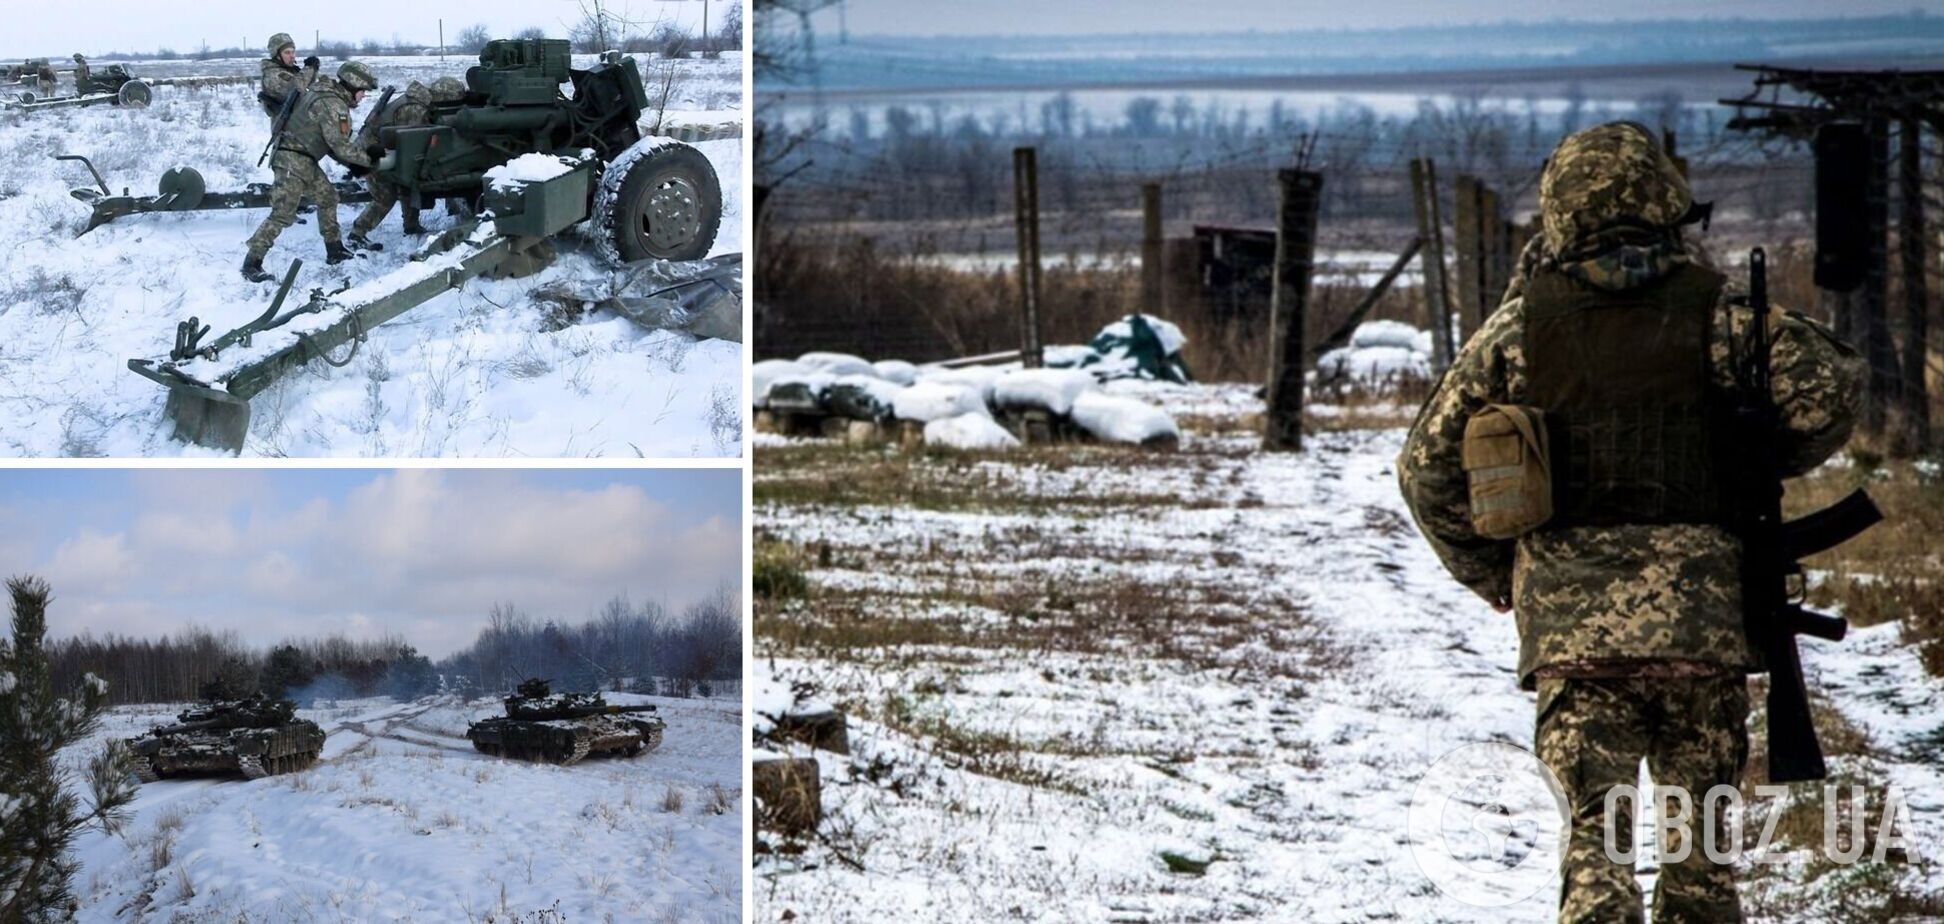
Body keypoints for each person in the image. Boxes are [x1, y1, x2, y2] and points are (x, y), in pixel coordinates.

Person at [1396, 121, 1862, 924]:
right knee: (1701, 867)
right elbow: (1832, 395)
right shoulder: (1721, 314)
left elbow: (1425, 468)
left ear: (1559, 213)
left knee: (1596, 854)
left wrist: (1491, 573)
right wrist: (1754, 459)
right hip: (1704, 628)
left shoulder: (1519, 328)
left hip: (1575, 642)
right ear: (1666, 204)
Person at [242, 61, 379, 282]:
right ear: (353, 87)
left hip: (302, 159)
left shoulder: (324, 95)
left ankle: (334, 250)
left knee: (328, 197)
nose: (363, 97)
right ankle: (252, 263)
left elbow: (332, 144)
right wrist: (373, 161)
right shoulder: (333, 104)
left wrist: (358, 164)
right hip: (292, 161)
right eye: (363, 92)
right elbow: (341, 146)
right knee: (282, 213)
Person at [347, 76, 465, 249]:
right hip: (371, 153)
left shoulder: (418, 100)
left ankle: (411, 226)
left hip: (384, 148)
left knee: (407, 184)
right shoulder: (414, 109)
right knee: (386, 196)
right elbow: (412, 144)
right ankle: (357, 234)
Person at [258, 32, 319, 122]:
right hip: (289, 131)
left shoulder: (290, 71)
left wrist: (314, 70)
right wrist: (309, 69)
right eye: (287, 53)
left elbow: (309, 90)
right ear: (277, 56)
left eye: (293, 52)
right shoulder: (272, 75)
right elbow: (296, 89)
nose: (292, 56)